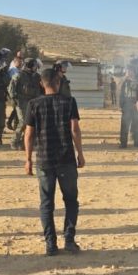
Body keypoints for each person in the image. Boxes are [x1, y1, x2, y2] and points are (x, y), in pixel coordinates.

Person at [24, 68, 85, 256]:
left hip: (44, 160)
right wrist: (80, 153)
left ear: (41, 84)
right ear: (58, 83)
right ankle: (69, 240)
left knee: (46, 203)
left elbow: (29, 134)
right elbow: (74, 129)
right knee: (71, 201)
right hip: (66, 159)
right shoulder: (69, 102)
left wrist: (28, 160)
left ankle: (50, 244)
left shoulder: (33, 104)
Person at [8, 58, 42, 150]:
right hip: (21, 102)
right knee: (23, 122)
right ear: (29, 65)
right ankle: (14, 141)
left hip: (34, 102)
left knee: (32, 123)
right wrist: (15, 100)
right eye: (34, 65)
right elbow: (11, 89)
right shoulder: (19, 75)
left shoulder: (37, 77)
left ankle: (25, 142)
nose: (36, 67)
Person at [119, 68, 138, 148]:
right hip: (127, 105)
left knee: (137, 124)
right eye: (128, 72)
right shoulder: (123, 82)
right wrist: (121, 106)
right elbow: (120, 93)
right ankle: (123, 143)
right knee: (125, 124)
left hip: (136, 105)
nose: (129, 73)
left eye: (131, 71)